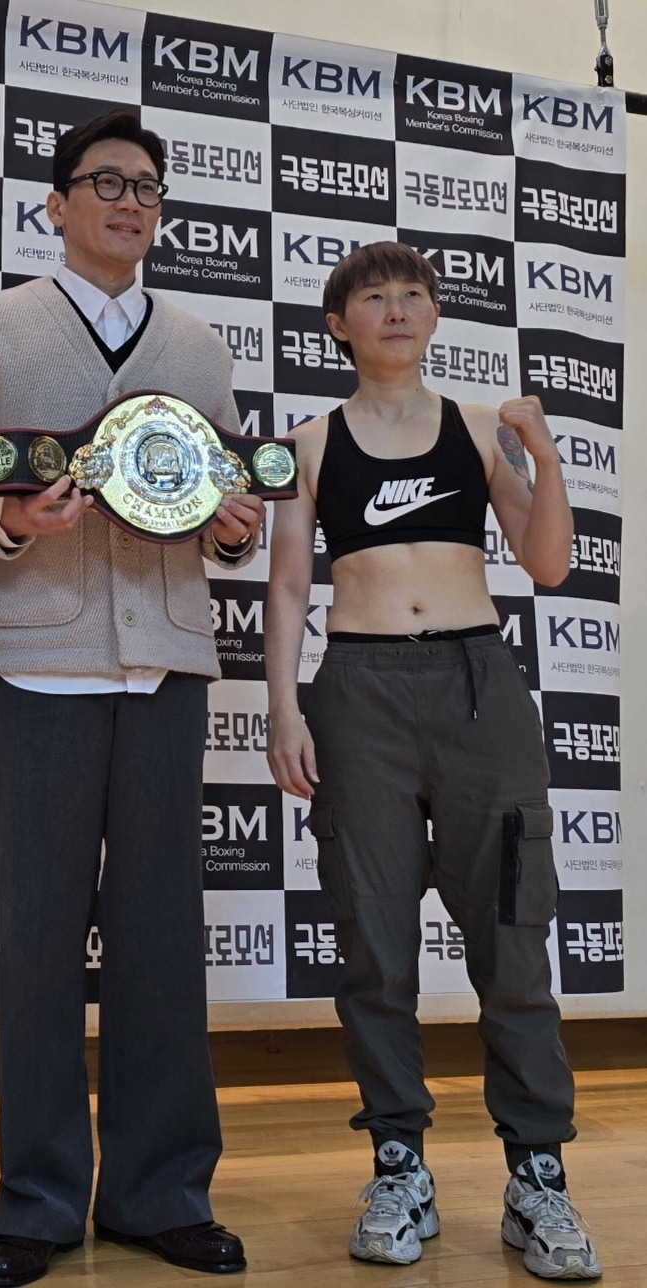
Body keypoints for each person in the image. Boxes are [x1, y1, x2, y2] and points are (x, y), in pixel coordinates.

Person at [0, 109, 265, 1287]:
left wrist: (234, 530)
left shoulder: (201, 347)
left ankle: (159, 1192)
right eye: (107, 182)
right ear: (56, 203)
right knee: (34, 936)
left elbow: (225, 496)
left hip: (166, 659)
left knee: (162, 933)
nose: (131, 203)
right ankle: (32, 1202)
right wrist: (10, 518)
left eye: (148, 188)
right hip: (38, 661)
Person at [264, 241, 601, 1280]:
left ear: (435, 314)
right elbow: (287, 586)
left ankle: (537, 1175)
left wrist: (544, 458)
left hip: (476, 685)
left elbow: (548, 561)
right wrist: (283, 709)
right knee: (373, 943)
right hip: (358, 690)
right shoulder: (310, 443)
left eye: (414, 294)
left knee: (511, 938)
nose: (397, 309)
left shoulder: (478, 428)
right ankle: (399, 1167)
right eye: (374, 296)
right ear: (339, 325)